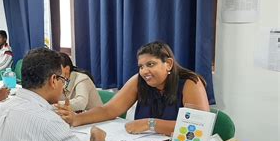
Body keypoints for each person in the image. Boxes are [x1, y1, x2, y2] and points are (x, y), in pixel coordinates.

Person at [56, 41, 210, 135]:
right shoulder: (139, 80)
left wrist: (149, 124)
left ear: (168, 64)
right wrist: (76, 118)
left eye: (150, 64)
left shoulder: (190, 83)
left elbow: (196, 128)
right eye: (141, 66)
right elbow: (108, 110)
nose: (144, 71)